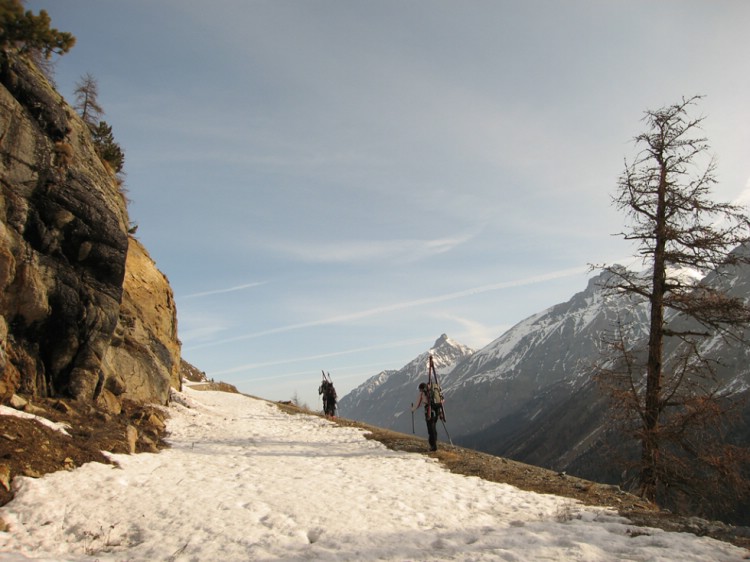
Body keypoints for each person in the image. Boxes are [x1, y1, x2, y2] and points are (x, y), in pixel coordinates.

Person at [412, 382, 439, 451]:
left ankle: (433, 446)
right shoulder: (433, 391)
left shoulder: (423, 393)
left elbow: (417, 404)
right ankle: (434, 443)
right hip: (437, 411)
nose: (420, 391)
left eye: (420, 390)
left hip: (429, 412)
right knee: (434, 428)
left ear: (421, 389)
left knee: (430, 430)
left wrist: (412, 409)